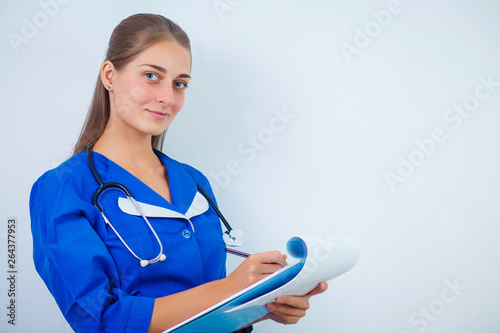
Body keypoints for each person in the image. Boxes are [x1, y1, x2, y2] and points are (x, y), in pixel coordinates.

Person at [29, 13, 327, 333]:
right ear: (109, 75)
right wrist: (231, 287)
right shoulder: (62, 189)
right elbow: (102, 320)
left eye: (179, 83)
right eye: (151, 76)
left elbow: (208, 310)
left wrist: (259, 304)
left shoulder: (193, 182)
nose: (167, 98)